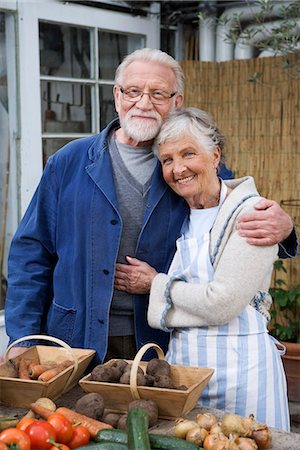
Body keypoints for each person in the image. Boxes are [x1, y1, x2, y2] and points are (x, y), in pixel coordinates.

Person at [4, 48, 297, 365]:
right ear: (117, 95)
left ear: (176, 102)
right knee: (71, 416)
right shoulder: (69, 161)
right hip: (74, 340)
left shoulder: (191, 166)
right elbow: (32, 252)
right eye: (134, 91)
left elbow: (235, 215)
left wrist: (284, 230)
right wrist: (23, 338)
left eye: (158, 94)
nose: (144, 103)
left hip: (160, 343)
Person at [114, 107, 290, 431]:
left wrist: (157, 285)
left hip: (243, 372)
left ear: (215, 156)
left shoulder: (251, 214)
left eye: (188, 154)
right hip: (186, 373)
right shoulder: (178, 213)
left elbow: (222, 303)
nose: (177, 169)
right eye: (167, 160)